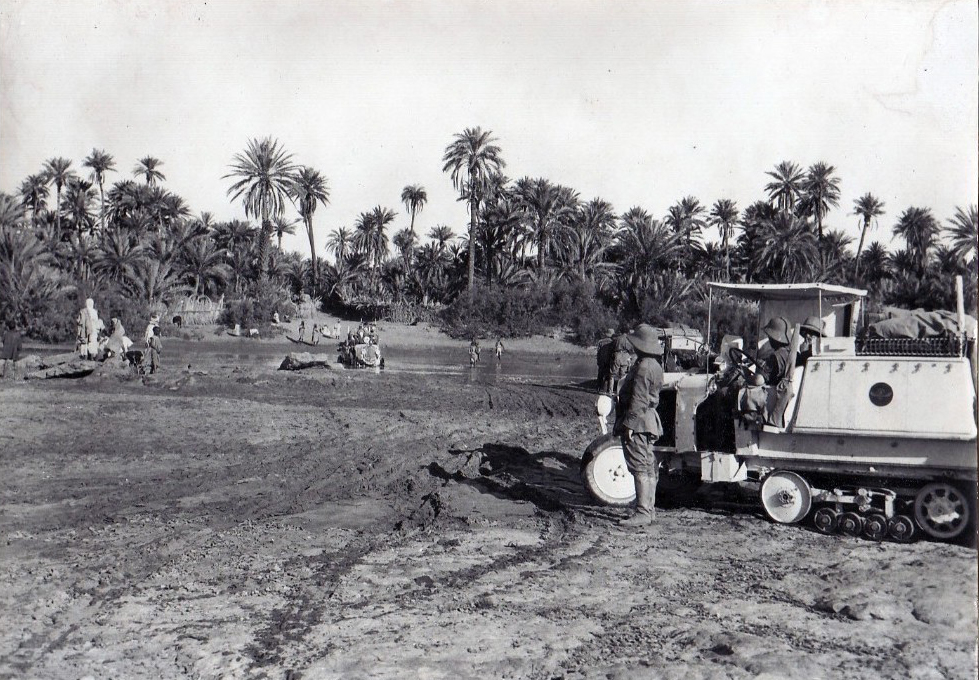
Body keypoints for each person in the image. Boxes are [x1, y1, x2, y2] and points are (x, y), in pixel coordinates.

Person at [614, 324, 665, 528]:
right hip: (648, 420)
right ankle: (648, 510)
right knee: (648, 465)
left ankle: (643, 512)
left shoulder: (643, 367)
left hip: (640, 422)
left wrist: (629, 424)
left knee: (639, 467)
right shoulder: (655, 365)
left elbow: (638, 400)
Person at [760, 316, 792, 386]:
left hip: (773, 390)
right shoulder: (792, 353)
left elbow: (760, 380)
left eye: (770, 336)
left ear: (773, 338)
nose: (769, 339)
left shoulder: (775, 356)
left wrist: (747, 375)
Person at [596, 328, 615, 393]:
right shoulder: (613, 342)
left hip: (602, 360)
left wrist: (598, 361)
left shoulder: (600, 342)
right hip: (609, 360)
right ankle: (608, 390)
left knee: (600, 374)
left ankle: (599, 388)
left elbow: (598, 352)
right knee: (609, 375)